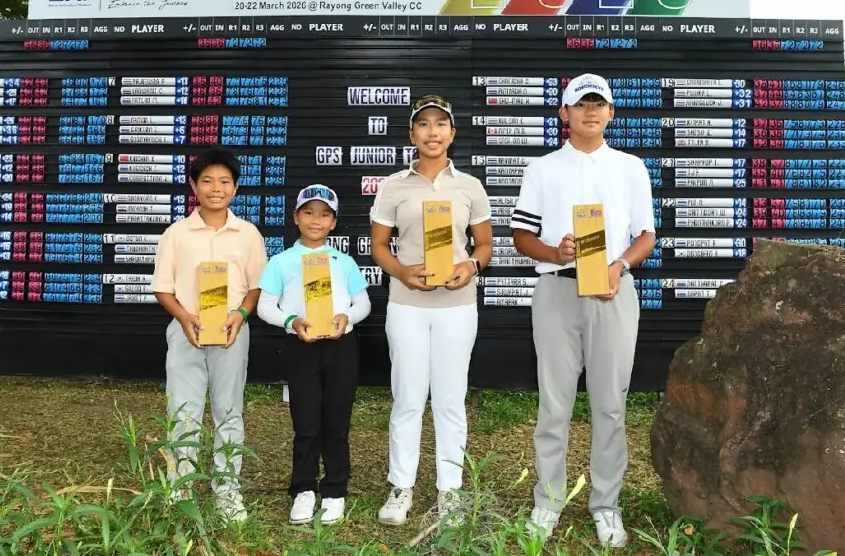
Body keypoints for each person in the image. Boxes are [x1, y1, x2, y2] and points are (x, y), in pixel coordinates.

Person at [510, 74, 656, 548]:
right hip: (557, 291)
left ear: (611, 112)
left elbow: (646, 235)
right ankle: (548, 500)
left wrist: (619, 265)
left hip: (613, 292)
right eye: (581, 103)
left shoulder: (631, 167)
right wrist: (555, 253)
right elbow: (521, 235)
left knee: (610, 404)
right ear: (564, 113)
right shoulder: (542, 168)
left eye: (598, 103)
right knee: (554, 404)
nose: (590, 111)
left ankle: (606, 504)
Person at [369, 94, 493, 526]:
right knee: (407, 396)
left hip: (457, 306)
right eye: (424, 124)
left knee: (450, 398)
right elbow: (379, 246)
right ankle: (401, 486)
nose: (432, 131)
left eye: (441, 124)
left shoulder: (469, 186)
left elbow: (485, 244)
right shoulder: (393, 186)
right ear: (412, 134)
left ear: (452, 134)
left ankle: (450, 490)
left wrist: (470, 266)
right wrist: (402, 272)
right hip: (407, 305)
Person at [150, 147, 269, 523]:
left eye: (224, 181)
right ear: (193, 186)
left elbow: (256, 286)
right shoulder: (176, 234)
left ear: (235, 188)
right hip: (186, 331)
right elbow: (163, 288)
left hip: (231, 333)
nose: (216, 189)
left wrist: (241, 315)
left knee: (228, 411)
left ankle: (227, 489)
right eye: (207, 181)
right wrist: (184, 317)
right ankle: (179, 487)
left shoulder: (248, 234)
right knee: (182, 412)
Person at [256, 184, 371, 526]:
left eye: (324, 215)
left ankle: (335, 489)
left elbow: (363, 302)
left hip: (340, 346)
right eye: (308, 213)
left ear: (334, 222)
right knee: (306, 422)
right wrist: (291, 321)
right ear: (296, 218)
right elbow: (264, 305)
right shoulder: (281, 261)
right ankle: (304, 488)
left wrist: (347, 318)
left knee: (337, 421)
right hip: (301, 346)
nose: (315, 220)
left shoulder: (344, 262)